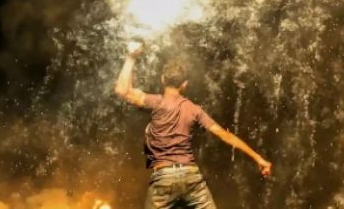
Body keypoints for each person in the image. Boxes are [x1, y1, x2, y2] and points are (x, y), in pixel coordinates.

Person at [114, 41, 272, 208]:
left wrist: (131, 58)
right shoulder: (194, 110)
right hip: (191, 177)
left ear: (162, 79)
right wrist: (259, 158)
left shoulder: (155, 102)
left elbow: (122, 90)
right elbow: (225, 135)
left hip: (164, 178)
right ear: (185, 84)